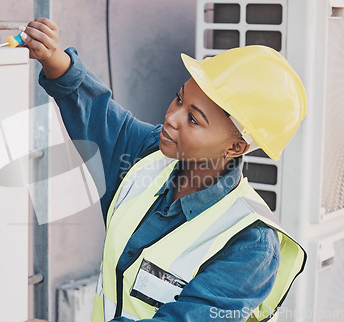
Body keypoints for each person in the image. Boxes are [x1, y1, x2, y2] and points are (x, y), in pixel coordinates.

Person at [22, 18, 307, 322]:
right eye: (179, 99)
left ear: (236, 147)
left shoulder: (250, 246)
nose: (172, 117)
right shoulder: (147, 155)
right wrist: (54, 58)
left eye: (194, 119)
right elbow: (97, 113)